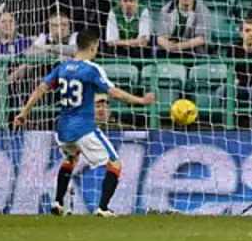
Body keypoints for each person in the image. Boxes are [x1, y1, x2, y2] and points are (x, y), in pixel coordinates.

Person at [14, 29, 155, 217]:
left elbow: (41, 88)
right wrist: (141, 101)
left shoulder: (62, 67)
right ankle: (103, 208)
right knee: (115, 164)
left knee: (71, 159)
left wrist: (24, 112)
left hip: (63, 129)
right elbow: (113, 92)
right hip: (84, 128)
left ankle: (57, 201)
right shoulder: (92, 69)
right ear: (93, 47)